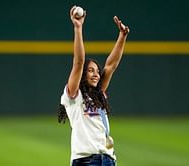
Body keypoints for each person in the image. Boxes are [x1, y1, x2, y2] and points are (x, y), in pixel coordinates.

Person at [58, 5, 129, 166]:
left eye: (97, 71)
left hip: (108, 159)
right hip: (86, 160)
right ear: (83, 75)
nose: (96, 74)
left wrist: (122, 36)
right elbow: (78, 62)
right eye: (90, 71)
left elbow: (111, 65)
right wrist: (78, 27)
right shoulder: (74, 96)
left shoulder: (99, 93)